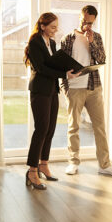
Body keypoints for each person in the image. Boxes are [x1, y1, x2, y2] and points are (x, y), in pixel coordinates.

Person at [60, 5, 112, 177]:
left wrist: (92, 42)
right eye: (84, 21)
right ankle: (73, 162)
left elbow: (102, 59)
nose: (87, 25)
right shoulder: (68, 39)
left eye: (90, 23)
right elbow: (61, 65)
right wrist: (65, 87)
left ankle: (104, 165)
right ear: (80, 17)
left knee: (100, 127)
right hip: (74, 88)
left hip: (94, 87)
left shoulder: (96, 37)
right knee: (74, 127)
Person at [23, 12, 76, 190]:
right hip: (39, 91)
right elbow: (41, 68)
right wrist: (63, 74)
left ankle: (43, 164)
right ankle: (32, 171)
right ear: (43, 26)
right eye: (52, 27)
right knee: (41, 129)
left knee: (51, 129)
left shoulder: (51, 43)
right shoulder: (35, 42)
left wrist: (68, 68)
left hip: (52, 89)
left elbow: (52, 64)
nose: (55, 30)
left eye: (56, 27)